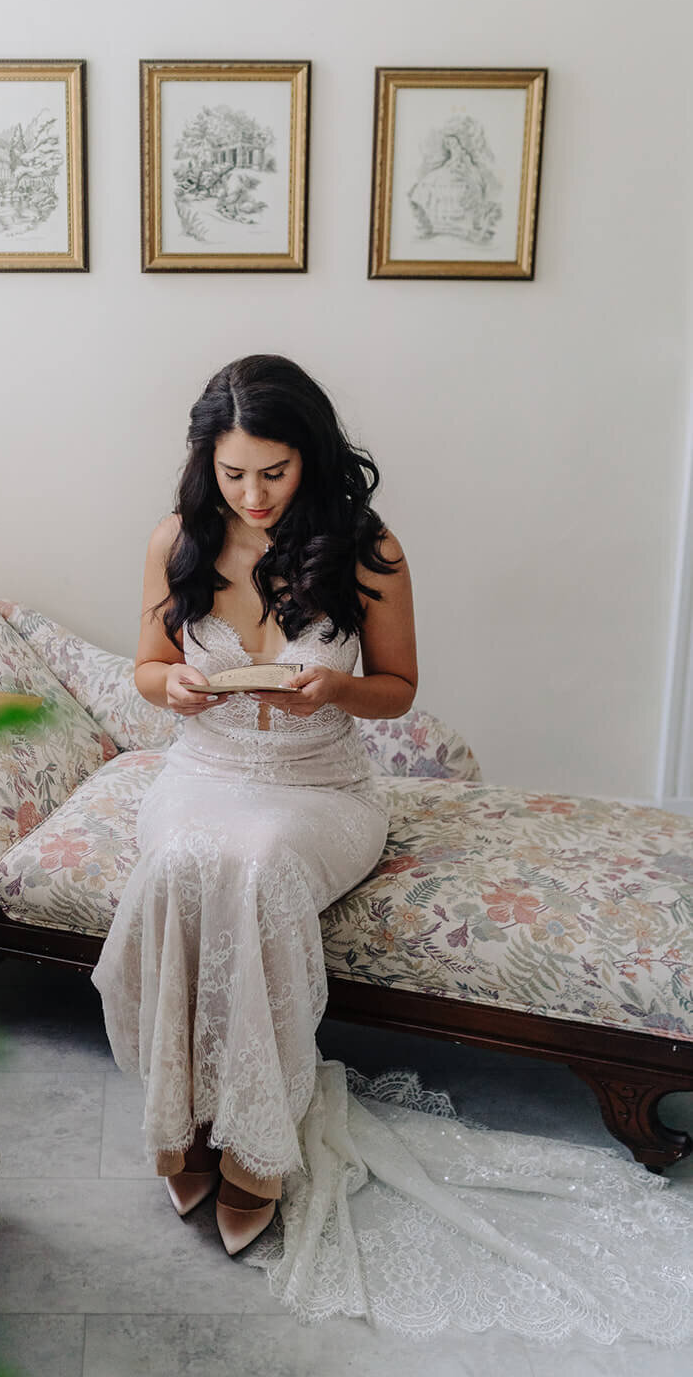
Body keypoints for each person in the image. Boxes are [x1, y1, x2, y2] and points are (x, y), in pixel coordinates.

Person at [92, 354, 693, 1344]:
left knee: (256, 866)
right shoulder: (177, 539)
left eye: (272, 474)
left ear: (311, 458)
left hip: (318, 789)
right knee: (175, 864)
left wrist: (332, 689)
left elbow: (398, 687)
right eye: (233, 473)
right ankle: (183, 1116)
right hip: (199, 774)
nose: (250, 496)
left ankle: (255, 1140)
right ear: (207, 462)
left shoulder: (366, 549)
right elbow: (149, 666)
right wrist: (176, 691)